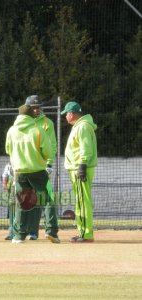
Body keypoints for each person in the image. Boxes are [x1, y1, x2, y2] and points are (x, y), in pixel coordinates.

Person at [5, 104, 60, 244]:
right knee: (48, 199)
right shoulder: (38, 129)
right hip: (38, 171)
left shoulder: (11, 130)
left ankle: (18, 236)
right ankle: (51, 231)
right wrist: (40, 159)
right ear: (31, 115)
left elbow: (8, 150)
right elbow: (48, 152)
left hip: (20, 172)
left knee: (22, 202)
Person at [61, 101, 97, 243]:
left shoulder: (82, 127)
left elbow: (85, 149)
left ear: (71, 114)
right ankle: (83, 231)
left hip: (80, 168)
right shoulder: (81, 126)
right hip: (77, 168)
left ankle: (86, 234)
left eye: (66, 114)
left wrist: (82, 165)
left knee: (83, 202)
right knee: (81, 201)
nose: (65, 117)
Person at [24, 95, 57, 240]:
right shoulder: (22, 123)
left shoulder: (47, 123)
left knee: (46, 197)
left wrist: (49, 164)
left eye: (38, 107)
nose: (36, 110)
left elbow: (52, 145)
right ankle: (30, 232)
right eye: (33, 108)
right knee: (28, 199)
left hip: (42, 167)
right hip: (25, 167)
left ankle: (50, 230)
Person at [1, 162, 15, 240]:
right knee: (12, 211)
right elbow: (4, 175)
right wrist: (4, 184)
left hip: (21, 189)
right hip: (11, 190)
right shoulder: (9, 165)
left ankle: (27, 232)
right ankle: (12, 232)